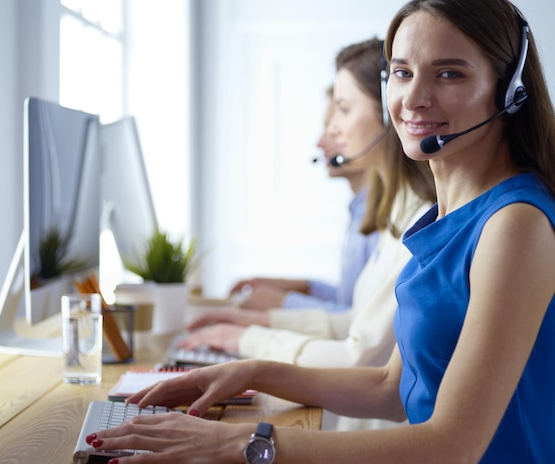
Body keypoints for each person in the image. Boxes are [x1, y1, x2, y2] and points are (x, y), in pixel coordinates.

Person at [86, 0, 555, 461]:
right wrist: (250, 371)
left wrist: (239, 443)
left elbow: (451, 447)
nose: (412, 99)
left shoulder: (515, 225)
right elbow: (390, 387)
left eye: (449, 73)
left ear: (510, 89)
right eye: (401, 72)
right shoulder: (449, 218)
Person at [178, 39, 435, 374]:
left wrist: (248, 338)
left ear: (388, 114)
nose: (330, 131)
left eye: (343, 110)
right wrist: (254, 323)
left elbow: (362, 354)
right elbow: (356, 322)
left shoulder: (418, 221)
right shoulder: (394, 215)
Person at [229, 85, 379, 314]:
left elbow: (363, 323)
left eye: (340, 118)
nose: (321, 142)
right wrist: (302, 288)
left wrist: (284, 303)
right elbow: (349, 300)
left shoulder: (383, 215)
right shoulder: (360, 208)